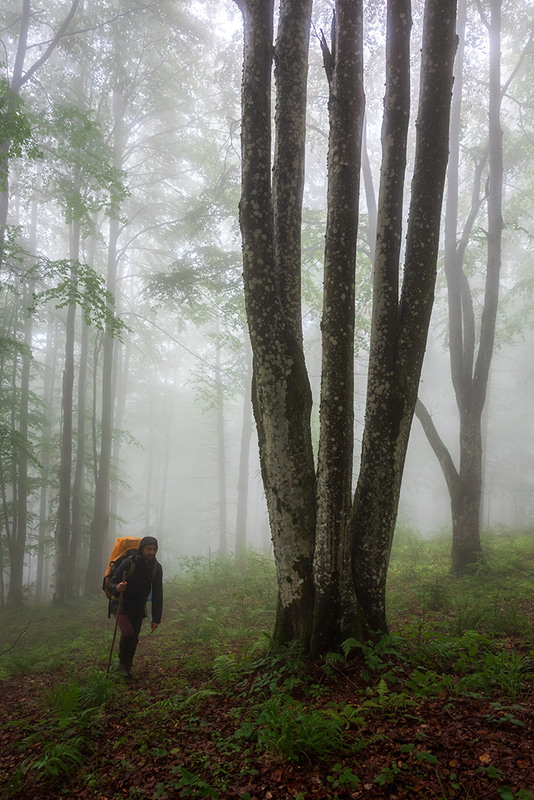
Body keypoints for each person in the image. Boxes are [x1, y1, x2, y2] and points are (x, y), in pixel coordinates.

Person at [107, 535, 163, 677]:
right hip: (121, 604)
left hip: (138, 606)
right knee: (128, 634)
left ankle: (127, 666)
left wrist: (156, 618)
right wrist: (117, 587)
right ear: (142, 548)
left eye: (154, 549)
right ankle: (122, 664)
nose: (152, 552)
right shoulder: (128, 563)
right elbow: (111, 583)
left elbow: (157, 593)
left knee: (134, 638)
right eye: (149, 549)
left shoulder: (156, 567)